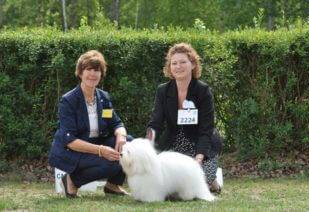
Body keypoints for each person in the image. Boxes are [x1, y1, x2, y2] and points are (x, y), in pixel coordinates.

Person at [49, 50, 131, 198]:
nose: (93, 74)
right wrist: (101, 150)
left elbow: (116, 123)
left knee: (130, 144)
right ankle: (71, 180)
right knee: (111, 163)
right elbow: (70, 141)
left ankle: (113, 185)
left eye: (97, 70)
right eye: (89, 69)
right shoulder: (68, 101)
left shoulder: (103, 97)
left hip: (96, 142)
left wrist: (121, 136)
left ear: (101, 74)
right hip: (74, 150)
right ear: (80, 73)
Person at [147, 43, 222, 193]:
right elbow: (155, 123)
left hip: (201, 145)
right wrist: (147, 145)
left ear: (193, 64)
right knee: (169, 188)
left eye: (183, 62)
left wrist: (199, 158)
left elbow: (206, 129)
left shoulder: (203, 90)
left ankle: (211, 180)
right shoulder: (163, 90)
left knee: (195, 188)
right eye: (174, 63)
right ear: (170, 67)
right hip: (173, 143)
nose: (178, 66)